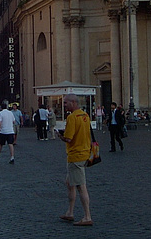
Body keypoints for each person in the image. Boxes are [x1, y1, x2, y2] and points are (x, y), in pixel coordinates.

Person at [58, 93, 93, 226]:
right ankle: (70, 212)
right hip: (84, 153)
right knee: (69, 183)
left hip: (75, 155)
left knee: (81, 186)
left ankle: (87, 216)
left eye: (66, 103)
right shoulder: (85, 115)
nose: (64, 105)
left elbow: (69, 138)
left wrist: (60, 136)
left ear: (73, 102)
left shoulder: (72, 117)